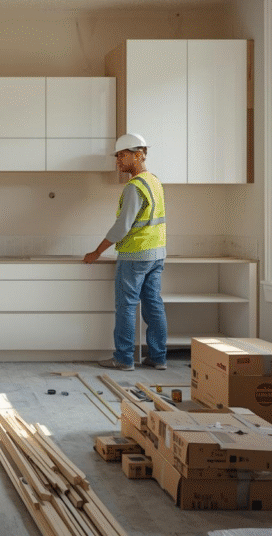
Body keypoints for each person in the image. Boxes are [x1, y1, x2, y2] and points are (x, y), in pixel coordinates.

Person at [84, 133, 167, 371]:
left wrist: (96, 252)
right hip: (157, 254)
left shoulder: (134, 186)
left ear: (139, 155)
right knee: (154, 305)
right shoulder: (154, 181)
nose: (118, 160)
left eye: (123, 155)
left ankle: (123, 359)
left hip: (135, 255)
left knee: (127, 306)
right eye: (117, 156)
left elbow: (122, 227)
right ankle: (159, 358)